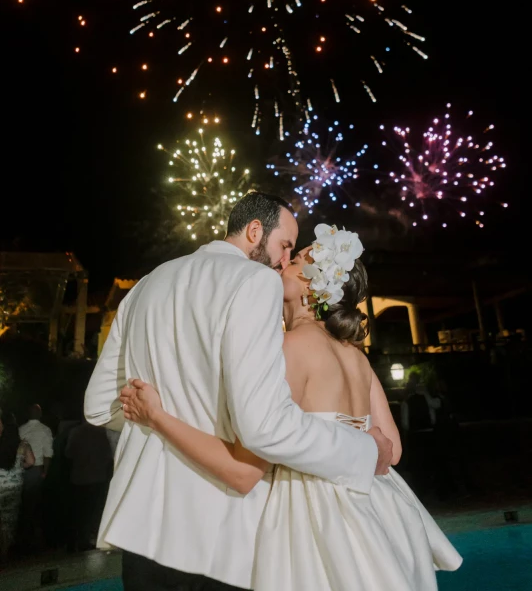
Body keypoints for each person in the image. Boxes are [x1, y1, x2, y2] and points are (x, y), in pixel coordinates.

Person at [122, 224, 462, 591]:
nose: (283, 261)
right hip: (380, 509)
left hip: (315, 515)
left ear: (314, 285)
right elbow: (391, 450)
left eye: (296, 260)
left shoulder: (289, 348)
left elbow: (244, 466)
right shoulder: (355, 356)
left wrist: (156, 416)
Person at [85, 192, 392, 591]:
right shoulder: (255, 281)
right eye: (285, 246)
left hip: (141, 527)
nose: (286, 260)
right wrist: (363, 450)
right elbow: (264, 428)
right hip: (219, 528)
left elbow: (97, 406)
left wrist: (153, 415)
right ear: (254, 231)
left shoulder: (145, 286)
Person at [65, 421, 113, 551]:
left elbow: (68, 453)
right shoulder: (101, 433)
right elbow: (109, 455)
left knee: (80, 511)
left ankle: (78, 540)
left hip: (79, 477)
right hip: (98, 476)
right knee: (95, 511)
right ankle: (92, 539)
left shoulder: (75, 432)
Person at [18, 403, 53, 552]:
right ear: (40, 414)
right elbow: (48, 454)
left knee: (25, 505)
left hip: (23, 469)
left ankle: (25, 539)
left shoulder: (21, 429)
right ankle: (38, 540)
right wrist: (45, 471)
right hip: (37, 470)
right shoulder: (45, 430)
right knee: (38, 504)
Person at [0, 412, 34, 559]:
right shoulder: (23, 445)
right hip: (13, 488)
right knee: (9, 521)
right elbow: (31, 462)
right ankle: (4, 552)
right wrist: (20, 467)